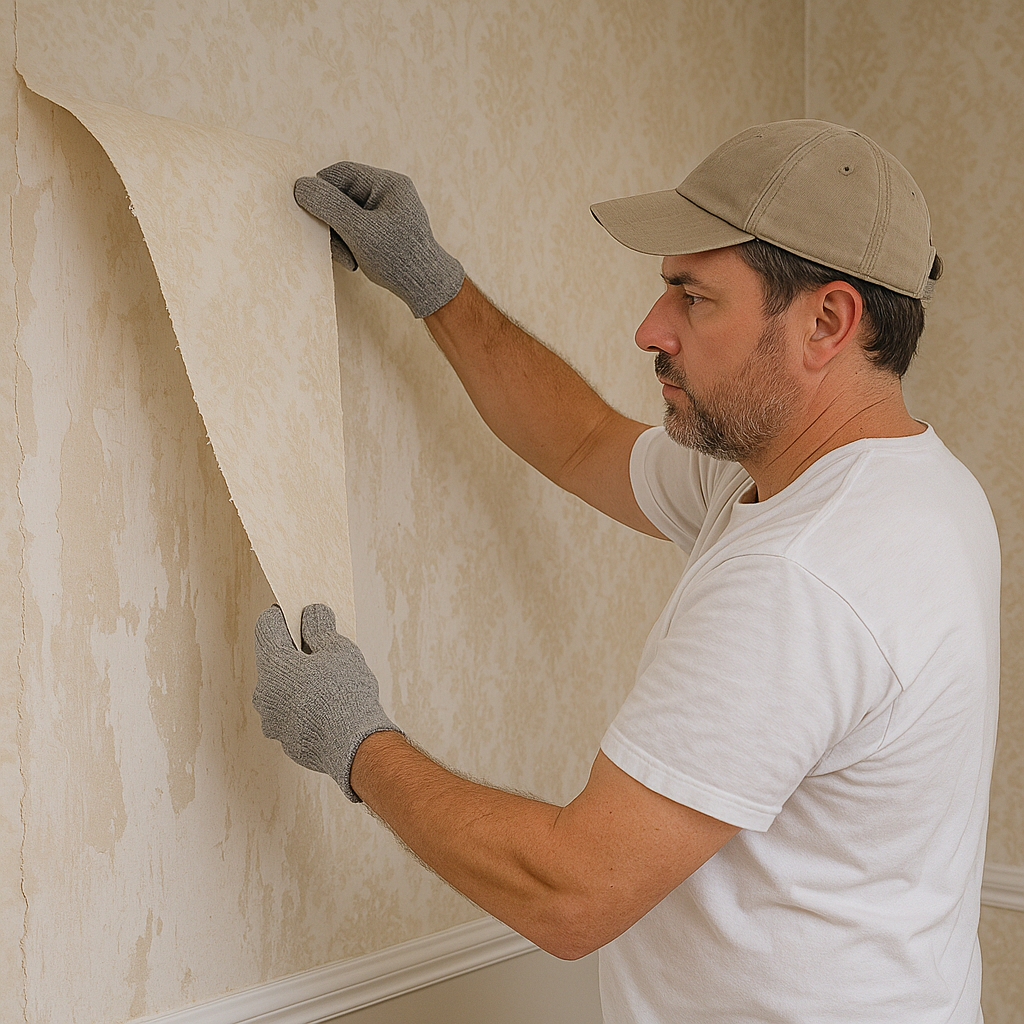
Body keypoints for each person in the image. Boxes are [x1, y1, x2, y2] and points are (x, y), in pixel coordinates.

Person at [252, 120, 1000, 1023]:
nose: (652, 329)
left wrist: (352, 741)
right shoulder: (897, 483)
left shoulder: (805, 575)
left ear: (826, 321)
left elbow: (573, 891)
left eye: (693, 297)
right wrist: (431, 282)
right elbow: (583, 441)